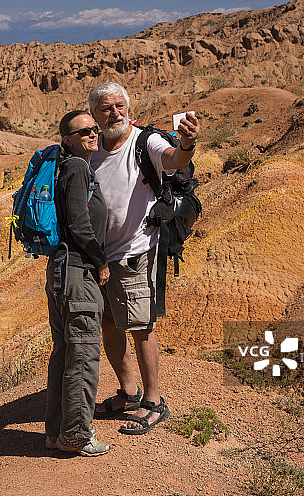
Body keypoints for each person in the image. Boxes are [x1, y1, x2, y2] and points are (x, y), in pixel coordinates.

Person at [88, 81, 200, 434]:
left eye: (119, 106)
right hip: (98, 258)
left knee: (141, 327)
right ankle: (129, 391)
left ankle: (154, 401)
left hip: (136, 251)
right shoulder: (90, 150)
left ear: (129, 108)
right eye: (106, 108)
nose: (114, 114)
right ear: (94, 114)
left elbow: (173, 159)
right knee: (109, 324)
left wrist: (187, 143)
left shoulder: (144, 141)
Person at [44, 110, 111, 456]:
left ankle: (57, 430)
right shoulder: (78, 167)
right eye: (82, 131)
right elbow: (80, 225)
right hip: (79, 274)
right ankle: (76, 435)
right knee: (83, 355)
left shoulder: (65, 168)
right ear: (67, 139)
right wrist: (100, 261)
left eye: (93, 129)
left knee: (65, 353)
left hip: (61, 272)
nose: (91, 134)